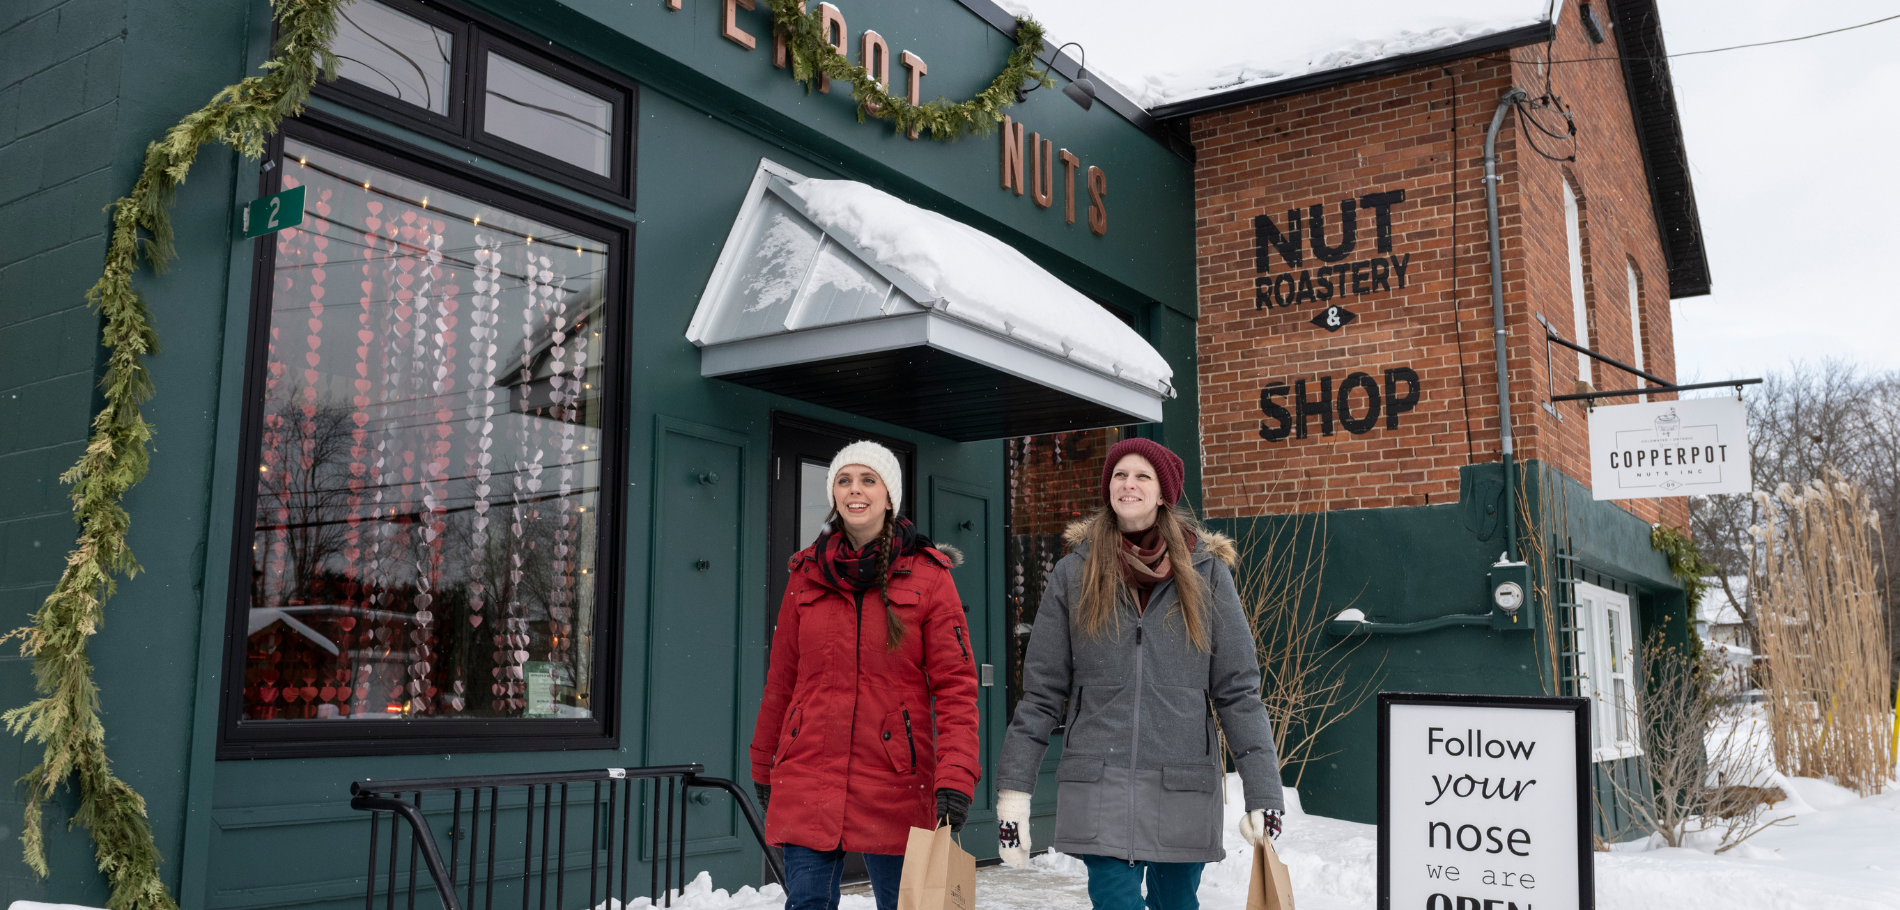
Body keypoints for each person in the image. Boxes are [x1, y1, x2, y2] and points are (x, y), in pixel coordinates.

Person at [993, 438, 1283, 910]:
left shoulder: (1208, 575)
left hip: (1182, 779)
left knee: (1176, 905)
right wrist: (1014, 793)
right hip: (1099, 779)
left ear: (1164, 493)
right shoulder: (1073, 573)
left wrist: (1263, 790)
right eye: (1119, 475)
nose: (1127, 484)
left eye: (1141, 476)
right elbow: (1042, 693)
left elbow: (1238, 691)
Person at [750, 441, 981, 910]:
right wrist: (763, 762)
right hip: (808, 772)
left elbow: (956, 689)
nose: (855, 491)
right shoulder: (805, 574)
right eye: (844, 480)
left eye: (868, 480)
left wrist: (955, 778)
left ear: (889, 496)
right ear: (834, 494)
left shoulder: (930, 576)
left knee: (909, 905)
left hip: (898, 780)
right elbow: (782, 679)